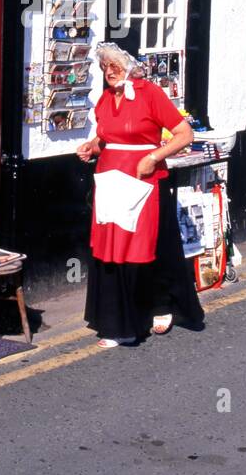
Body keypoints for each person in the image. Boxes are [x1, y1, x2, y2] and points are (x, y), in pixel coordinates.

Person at [75, 42, 205, 348]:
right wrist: (91, 148)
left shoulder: (150, 94)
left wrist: (154, 157)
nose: (109, 72)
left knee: (140, 249)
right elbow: (107, 138)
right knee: (110, 251)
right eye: (105, 66)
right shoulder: (106, 98)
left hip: (142, 182)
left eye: (116, 66)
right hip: (110, 182)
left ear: (130, 67)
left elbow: (185, 134)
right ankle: (114, 322)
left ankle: (152, 311)